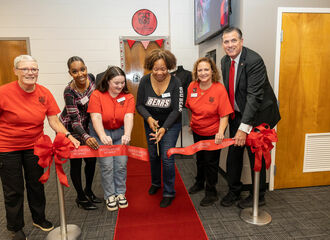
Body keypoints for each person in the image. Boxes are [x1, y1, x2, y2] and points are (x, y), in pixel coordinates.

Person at [0, 55, 80, 240]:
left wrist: (68, 135)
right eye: (26, 69)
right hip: (7, 148)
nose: (31, 72)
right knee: (13, 189)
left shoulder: (44, 93)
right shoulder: (4, 92)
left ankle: (39, 218)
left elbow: (54, 121)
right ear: (16, 71)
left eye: (34, 69)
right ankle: (15, 227)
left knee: (36, 184)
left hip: (35, 146)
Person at [220, 27, 281, 208]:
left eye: (233, 41)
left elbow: (254, 97)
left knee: (257, 157)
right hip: (239, 114)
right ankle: (234, 191)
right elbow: (231, 92)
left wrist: (243, 128)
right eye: (226, 41)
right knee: (233, 155)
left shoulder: (254, 61)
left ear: (241, 41)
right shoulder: (224, 61)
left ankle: (258, 196)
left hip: (259, 116)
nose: (230, 45)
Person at [136, 49, 183, 208]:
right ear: (151, 67)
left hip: (171, 124)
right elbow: (139, 105)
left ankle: (169, 192)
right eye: (156, 69)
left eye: (163, 68)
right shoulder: (144, 81)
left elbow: (177, 109)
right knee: (154, 155)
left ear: (168, 66)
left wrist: (164, 128)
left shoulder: (176, 82)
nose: (159, 72)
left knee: (166, 157)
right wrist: (148, 118)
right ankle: (156, 183)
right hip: (151, 123)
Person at [185, 57, 233, 206]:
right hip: (198, 130)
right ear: (196, 72)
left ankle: (211, 192)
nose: (203, 73)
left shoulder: (219, 89)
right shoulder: (192, 86)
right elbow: (189, 108)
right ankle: (199, 182)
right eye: (200, 70)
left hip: (213, 132)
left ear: (212, 71)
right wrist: (191, 124)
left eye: (206, 69)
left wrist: (221, 132)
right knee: (199, 159)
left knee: (211, 163)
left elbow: (224, 113)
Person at [88, 66, 134, 211]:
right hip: (102, 132)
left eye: (122, 83)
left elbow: (128, 116)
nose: (120, 86)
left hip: (120, 132)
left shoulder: (128, 97)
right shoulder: (97, 95)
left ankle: (120, 193)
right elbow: (95, 116)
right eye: (116, 83)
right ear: (107, 81)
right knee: (107, 166)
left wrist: (127, 134)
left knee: (121, 165)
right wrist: (102, 135)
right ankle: (110, 195)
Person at [60, 56, 101, 211]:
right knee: (76, 163)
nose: (80, 74)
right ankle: (80, 197)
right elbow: (74, 121)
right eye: (75, 71)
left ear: (86, 68)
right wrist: (86, 137)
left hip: (87, 124)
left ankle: (88, 191)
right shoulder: (69, 91)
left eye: (82, 69)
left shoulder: (91, 79)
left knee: (90, 161)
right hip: (72, 128)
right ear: (70, 73)